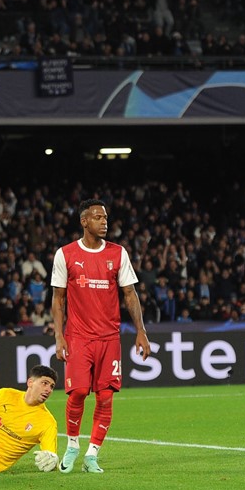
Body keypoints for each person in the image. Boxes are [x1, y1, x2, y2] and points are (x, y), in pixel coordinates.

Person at [51, 199, 151, 474]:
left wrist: (141, 331)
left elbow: (129, 294)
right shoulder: (65, 254)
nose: (104, 222)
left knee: (105, 397)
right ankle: (72, 445)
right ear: (84, 222)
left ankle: (92, 454)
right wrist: (59, 336)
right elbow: (58, 298)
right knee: (79, 392)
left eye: (105, 217)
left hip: (109, 338)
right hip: (78, 337)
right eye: (97, 217)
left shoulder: (118, 253)